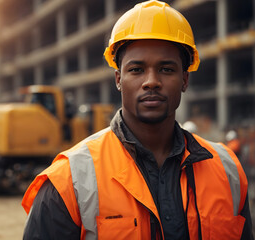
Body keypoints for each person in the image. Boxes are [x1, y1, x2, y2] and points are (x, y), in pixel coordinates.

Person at [22, 1, 253, 239]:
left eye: (166, 69)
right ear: (118, 79)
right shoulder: (68, 181)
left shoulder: (227, 170)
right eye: (136, 69)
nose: (151, 81)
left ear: (185, 80)